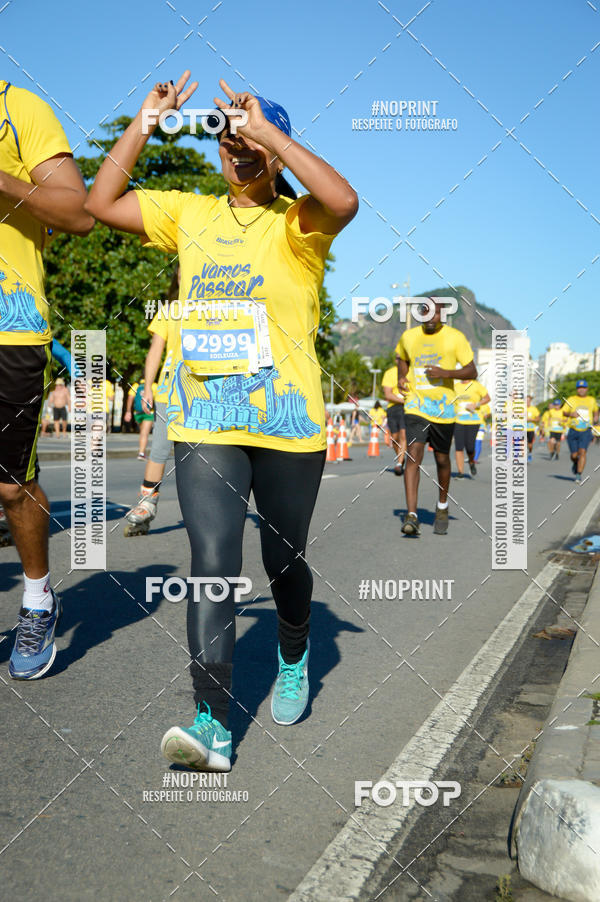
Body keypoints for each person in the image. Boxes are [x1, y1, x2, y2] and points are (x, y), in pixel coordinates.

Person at [85, 72, 358, 771]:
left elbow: (344, 199)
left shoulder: (297, 227)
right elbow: (97, 201)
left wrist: (273, 134)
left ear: (276, 146)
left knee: (283, 558)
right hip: (206, 419)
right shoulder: (189, 214)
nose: (237, 145)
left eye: (252, 136)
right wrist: (146, 119)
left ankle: (294, 648)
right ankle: (211, 726)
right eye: (228, 135)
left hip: (287, 426)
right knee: (212, 562)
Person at [0, 80, 93, 679]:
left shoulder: (18, 107)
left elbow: (76, 213)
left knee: (9, 487)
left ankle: (37, 598)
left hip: (9, 326)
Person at [395, 300, 476, 536]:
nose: (431, 316)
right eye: (426, 311)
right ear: (420, 314)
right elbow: (402, 358)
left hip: (444, 410)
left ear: (443, 314)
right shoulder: (409, 337)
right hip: (416, 406)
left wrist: (446, 373)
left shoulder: (455, 337)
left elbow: (472, 370)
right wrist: (402, 377)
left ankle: (442, 506)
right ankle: (412, 515)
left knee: (442, 459)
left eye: (436, 312)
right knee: (414, 455)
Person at [124, 268, 179, 536]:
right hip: (170, 390)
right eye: (181, 272)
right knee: (158, 448)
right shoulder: (169, 309)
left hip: (206, 393)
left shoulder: (214, 307)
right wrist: (147, 387)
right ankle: (147, 504)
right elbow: (155, 350)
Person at [561, 380, 599, 484]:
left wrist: (596, 417)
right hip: (573, 430)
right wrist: (570, 415)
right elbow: (564, 412)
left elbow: (596, 410)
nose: (581, 389)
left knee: (582, 452)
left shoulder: (591, 400)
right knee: (574, 455)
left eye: (583, 388)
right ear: (577, 389)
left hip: (586, 431)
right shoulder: (571, 399)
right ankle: (575, 463)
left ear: (587, 389)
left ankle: (578, 474)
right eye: (579, 388)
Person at [453, 378, 490, 478]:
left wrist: (476, 404)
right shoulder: (455, 386)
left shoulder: (476, 385)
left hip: (473, 420)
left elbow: (487, 398)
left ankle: (471, 461)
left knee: (470, 447)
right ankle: (460, 472)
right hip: (458, 420)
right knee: (459, 446)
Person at [381, 364, 406, 475]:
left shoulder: (411, 372)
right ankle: (401, 457)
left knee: (403, 435)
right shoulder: (390, 373)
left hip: (406, 409)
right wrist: (404, 400)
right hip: (393, 409)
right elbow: (388, 394)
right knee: (395, 438)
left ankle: (399, 463)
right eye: (397, 358)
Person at [124, 378, 157, 459]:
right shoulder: (154, 385)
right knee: (144, 433)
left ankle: (142, 451)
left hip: (137, 413)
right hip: (149, 412)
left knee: (142, 432)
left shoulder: (136, 385)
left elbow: (130, 398)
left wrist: (128, 411)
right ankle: (141, 453)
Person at [526, 395, 540, 463]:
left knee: (530, 444)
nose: (527, 402)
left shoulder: (534, 409)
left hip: (531, 429)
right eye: (526, 400)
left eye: (528, 400)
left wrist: (531, 419)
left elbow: (538, 419)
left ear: (530, 401)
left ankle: (530, 453)